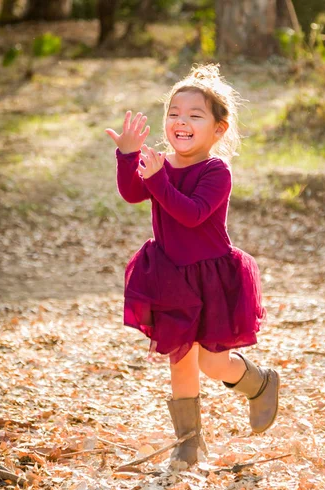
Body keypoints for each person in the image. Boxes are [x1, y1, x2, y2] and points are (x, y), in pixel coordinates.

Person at [106, 64, 279, 468]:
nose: (181, 122)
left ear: (218, 130)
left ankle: (259, 381)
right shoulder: (159, 163)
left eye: (194, 116)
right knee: (181, 358)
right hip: (169, 274)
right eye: (174, 114)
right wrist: (129, 155)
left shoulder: (216, 171)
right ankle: (188, 442)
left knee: (212, 361)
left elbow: (192, 214)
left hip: (211, 275)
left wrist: (157, 179)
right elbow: (133, 193)